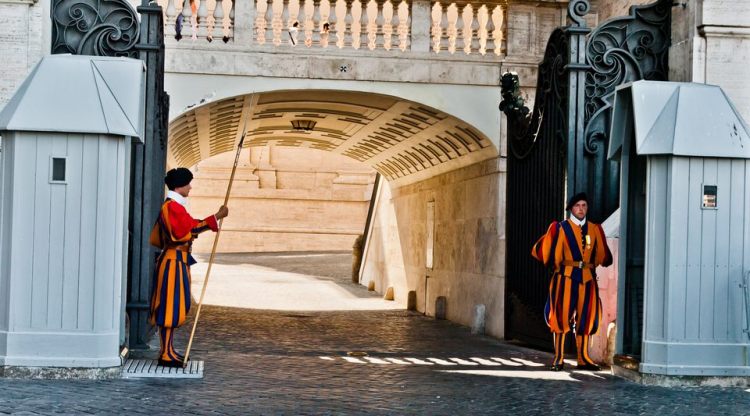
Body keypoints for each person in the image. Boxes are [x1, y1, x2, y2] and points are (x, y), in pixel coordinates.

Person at [148, 167, 229, 367]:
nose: (190, 187)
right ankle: (165, 353)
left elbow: (190, 224)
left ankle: (168, 350)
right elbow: (188, 230)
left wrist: (213, 219)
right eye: (188, 184)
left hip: (178, 261)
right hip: (173, 262)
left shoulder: (177, 207)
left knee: (175, 305)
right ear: (179, 186)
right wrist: (216, 216)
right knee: (169, 307)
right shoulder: (172, 207)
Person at [531, 192, 612, 371]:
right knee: (560, 317)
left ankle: (583, 358)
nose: (581, 209)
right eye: (577, 206)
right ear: (571, 209)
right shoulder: (560, 228)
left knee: (586, 318)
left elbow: (601, 256)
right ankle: (558, 358)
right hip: (565, 278)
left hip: (588, 279)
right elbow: (548, 254)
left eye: (584, 205)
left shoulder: (594, 229)